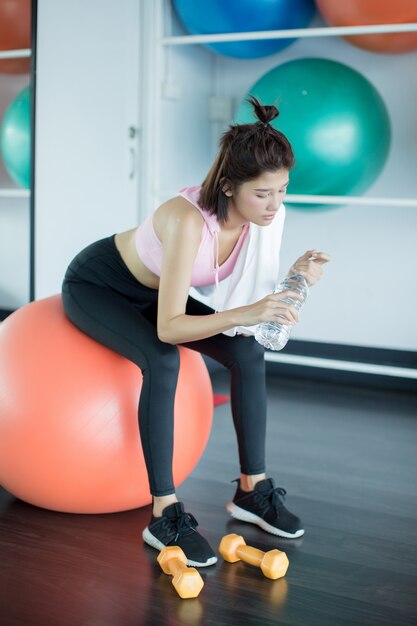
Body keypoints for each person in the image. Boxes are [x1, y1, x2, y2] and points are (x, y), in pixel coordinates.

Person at [61, 96, 331, 568]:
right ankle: (163, 514)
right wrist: (247, 312)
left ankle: (252, 490)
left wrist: (296, 278)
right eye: (263, 194)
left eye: (283, 190)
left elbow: (251, 296)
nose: (275, 205)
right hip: (101, 285)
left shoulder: (263, 219)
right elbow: (169, 328)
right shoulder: (188, 220)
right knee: (162, 360)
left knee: (248, 356)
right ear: (228, 186)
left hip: (158, 295)